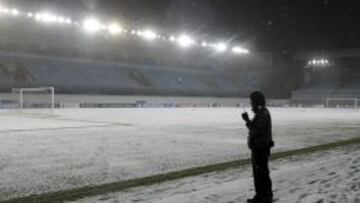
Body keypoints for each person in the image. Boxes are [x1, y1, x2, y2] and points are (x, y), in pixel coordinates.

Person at [242, 91, 274, 203]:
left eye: (252, 101)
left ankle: (265, 197)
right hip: (258, 147)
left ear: (256, 101)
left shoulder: (263, 113)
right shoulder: (261, 112)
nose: (251, 103)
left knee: (262, 174)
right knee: (258, 174)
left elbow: (257, 130)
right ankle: (260, 196)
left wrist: (247, 121)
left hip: (260, 148)